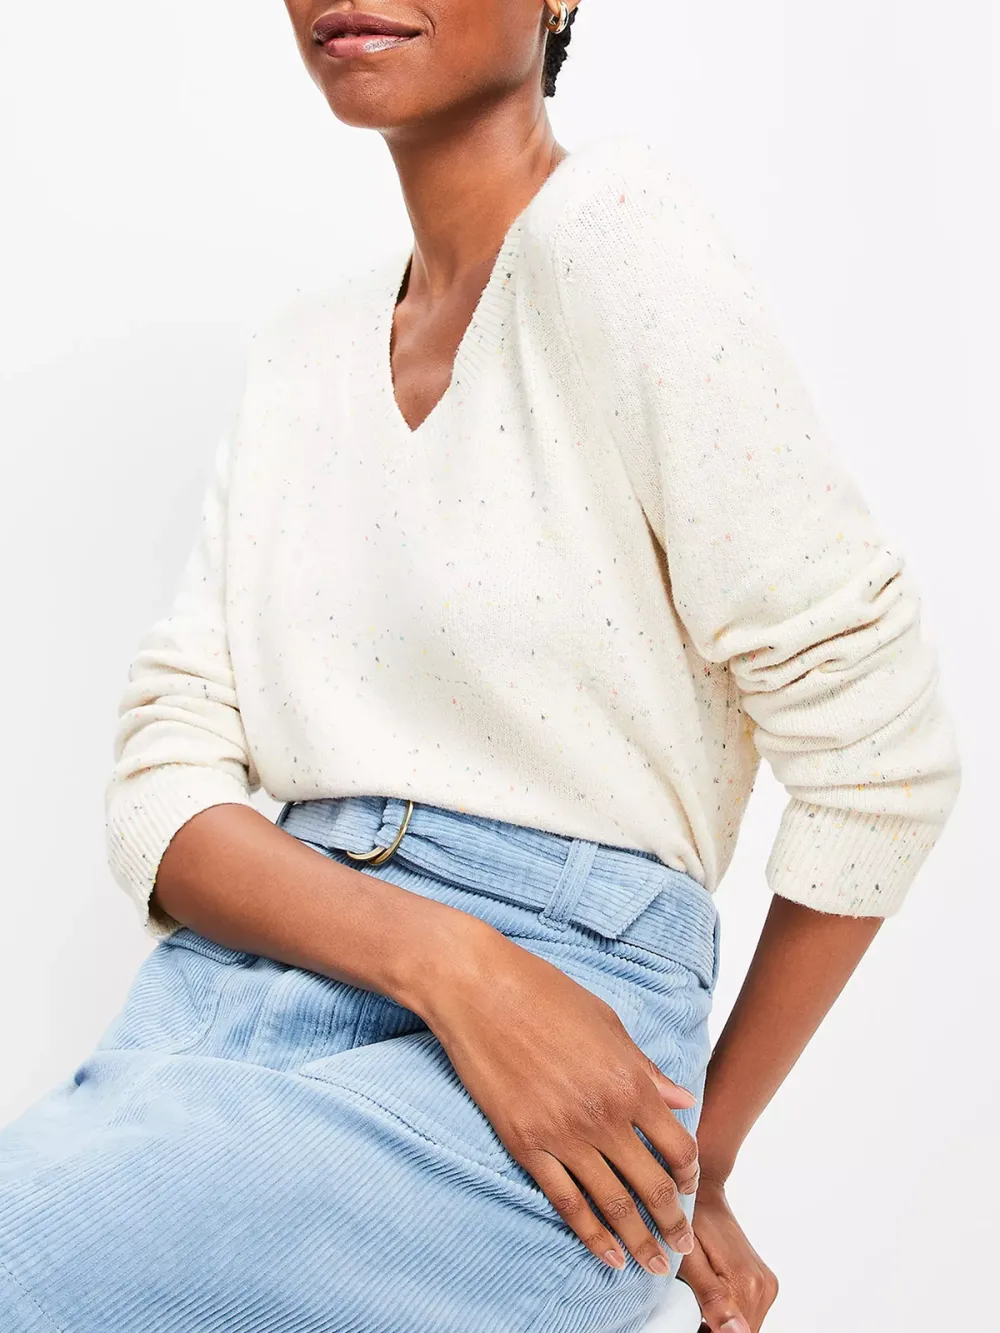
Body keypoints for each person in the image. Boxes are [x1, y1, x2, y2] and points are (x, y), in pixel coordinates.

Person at [0, 3, 962, 1332]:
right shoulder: (299, 358)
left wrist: (688, 1155)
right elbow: (160, 791)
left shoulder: (619, 240)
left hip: (561, 1039)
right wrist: (451, 966)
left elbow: (882, 757)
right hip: (233, 1001)